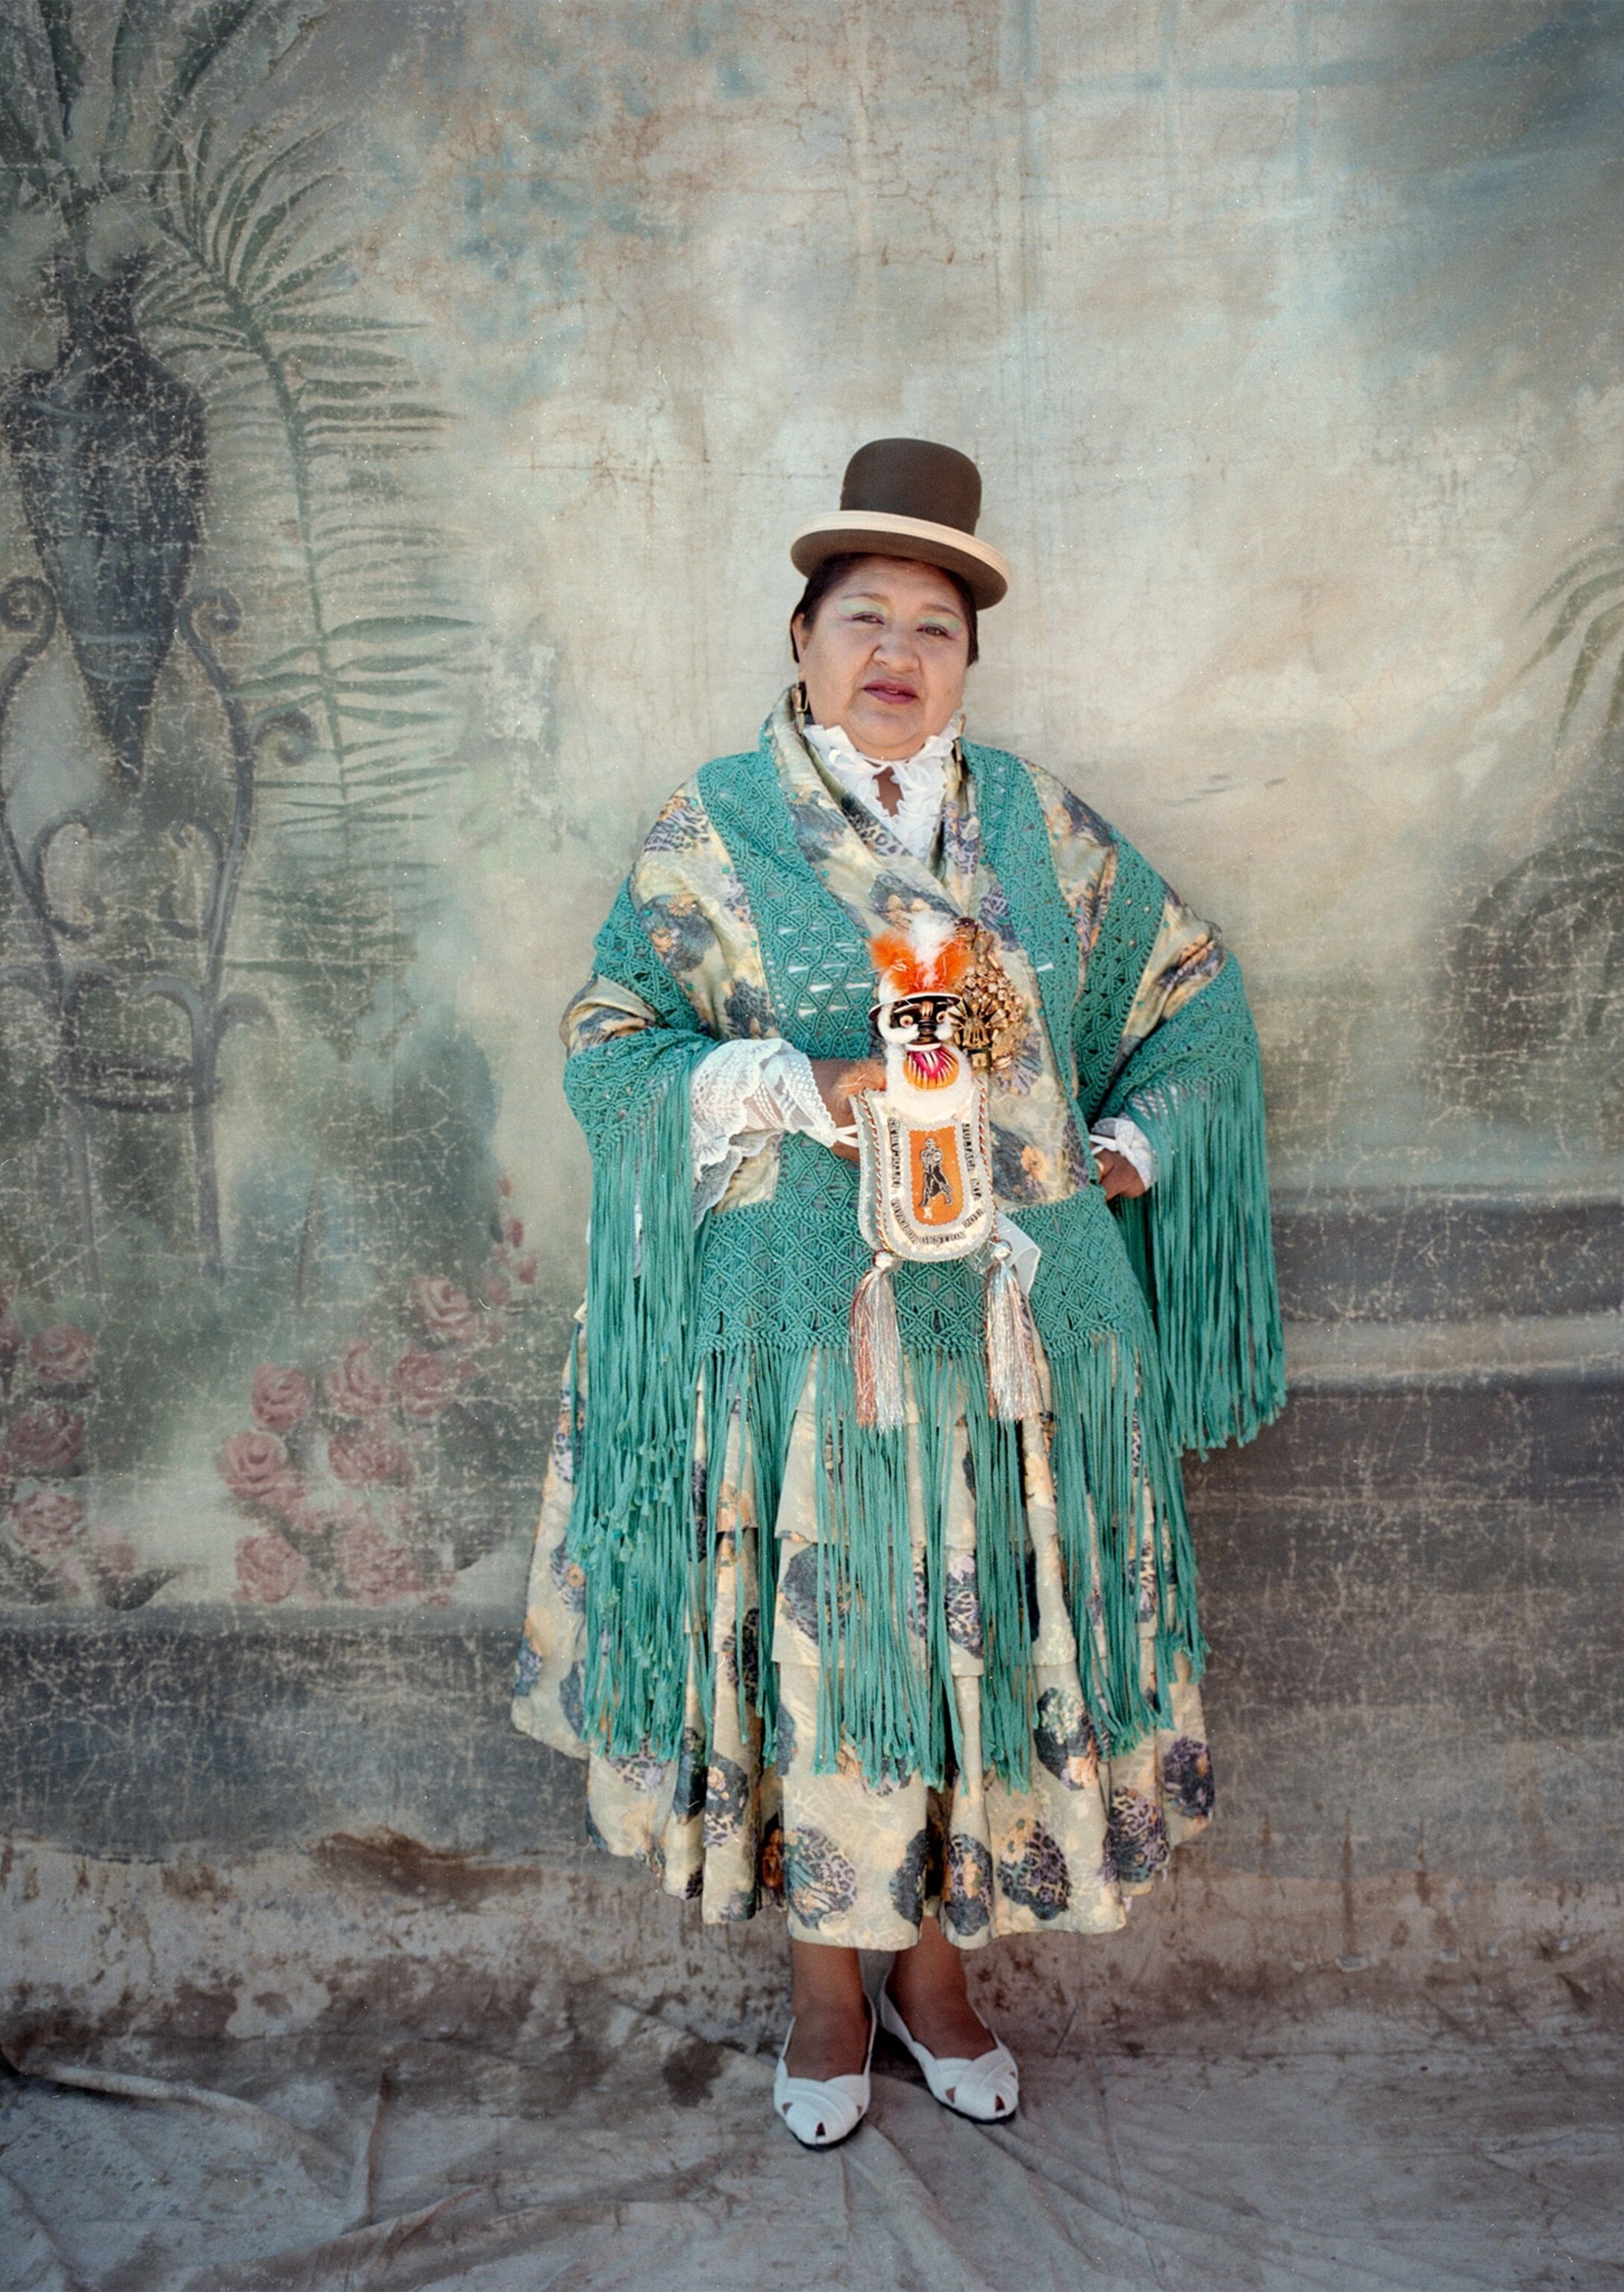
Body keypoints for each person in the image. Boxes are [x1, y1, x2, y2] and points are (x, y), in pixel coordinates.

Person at [512, 439, 1284, 2145]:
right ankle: (821, 1989)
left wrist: (1125, 1151)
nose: (896, 651)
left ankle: (935, 1979)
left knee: (967, 1657)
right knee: (833, 1656)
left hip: (1008, 1351)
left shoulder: (1038, 832)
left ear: (967, 664)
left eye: (935, 626)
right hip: (799, 1345)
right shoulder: (716, 834)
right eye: (863, 615)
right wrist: (796, 1086)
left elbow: (1189, 998)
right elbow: (610, 1048)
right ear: (801, 640)